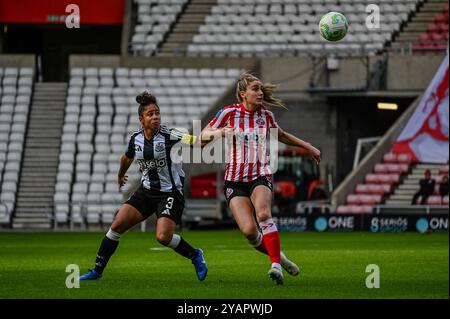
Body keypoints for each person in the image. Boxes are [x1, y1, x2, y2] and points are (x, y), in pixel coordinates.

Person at [200, 72, 321, 285]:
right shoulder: (228, 113)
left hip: (260, 175)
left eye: (261, 88)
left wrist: (308, 147)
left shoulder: (266, 115)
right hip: (234, 181)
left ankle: (274, 266)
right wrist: (219, 133)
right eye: (255, 88)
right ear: (243, 94)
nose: (260, 92)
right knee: (248, 232)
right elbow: (202, 138)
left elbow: (281, 135)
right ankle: (280, 257)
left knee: (263, 214)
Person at [79, 91, 208, 281]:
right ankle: (97, 271)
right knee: (116, 226)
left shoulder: (169, 135)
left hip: (169, 193)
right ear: (141, 119)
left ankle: (195, 255)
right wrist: (121, 173)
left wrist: (216, 135)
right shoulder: (135, 138)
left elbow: (196, 142)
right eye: (150, 114)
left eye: (157, 113)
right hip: (146, 191)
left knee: (163, 237)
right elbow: (127, 157)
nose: (155, 116)